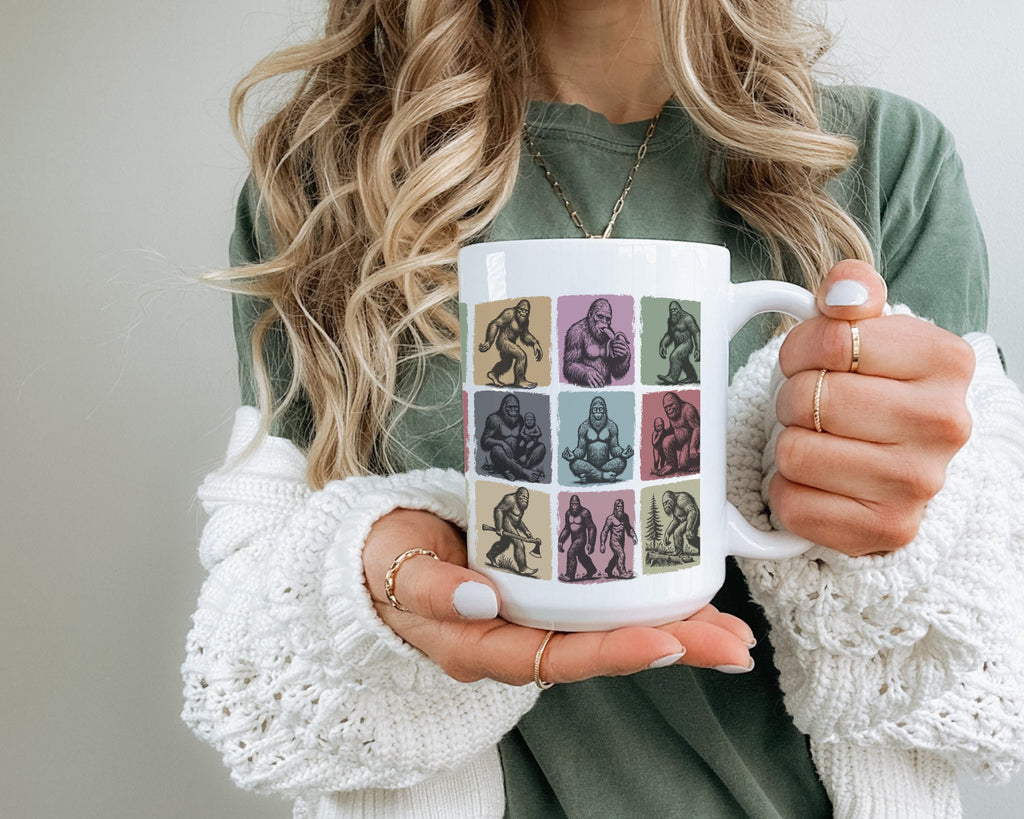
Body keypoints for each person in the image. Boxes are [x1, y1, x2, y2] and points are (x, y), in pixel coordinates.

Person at [181, 1, 1024, 817]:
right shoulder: (322, 180)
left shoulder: (877, 159)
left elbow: (987, 657)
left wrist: (897, 521)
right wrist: (361, 595)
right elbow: (245, 654)